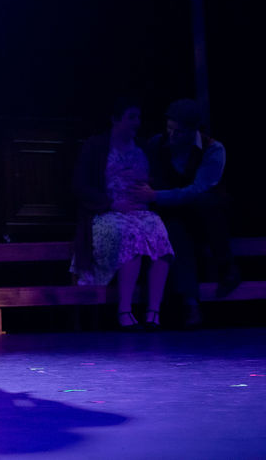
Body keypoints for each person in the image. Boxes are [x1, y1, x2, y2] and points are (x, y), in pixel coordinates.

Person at [134, 98, 239, 328]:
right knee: (175, 231)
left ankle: (227, 267)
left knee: (208, 203)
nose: (172, 136)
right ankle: (190, 303)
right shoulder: (157, 145)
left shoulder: (213, 149)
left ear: (193, 132)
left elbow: (199, 189)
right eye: (169, 129)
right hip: (175, 214)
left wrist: (157, 195)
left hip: (205, 216)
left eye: (179, 132)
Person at [71, 99, 174, 330]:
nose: (136, 122)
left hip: (141, 211)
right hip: (108, 212)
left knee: (159, 235)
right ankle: (124, 310)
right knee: (131, 236)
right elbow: (80, 185)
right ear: (115, 119)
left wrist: (150, 191)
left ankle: (153, 312)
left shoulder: (144, 146)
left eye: (138, 117)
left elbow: (159, 180)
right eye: (131, 117)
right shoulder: (96, 146)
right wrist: (112, 203)